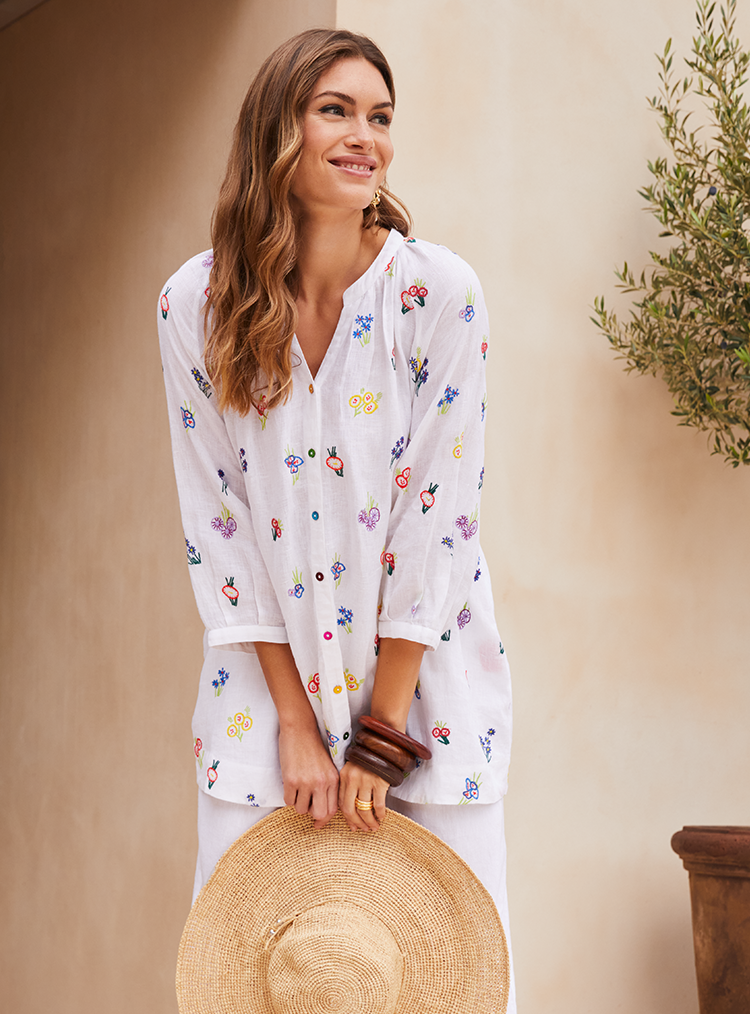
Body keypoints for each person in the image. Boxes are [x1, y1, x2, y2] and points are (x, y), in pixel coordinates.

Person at [158, 27, 515, 1011]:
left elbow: (439, 517)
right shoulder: (197, 305)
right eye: (338, 111)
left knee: (448, 984)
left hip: (428, 709)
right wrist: (295, 725)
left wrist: (378, 735)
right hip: (260, 720)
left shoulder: (436, 297)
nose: (368, 136)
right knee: (251, 986)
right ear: (281, 129)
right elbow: (218, 524)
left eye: (382, 116)